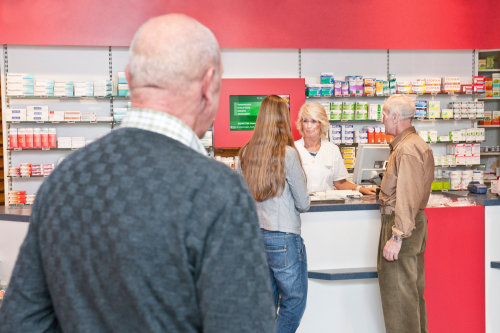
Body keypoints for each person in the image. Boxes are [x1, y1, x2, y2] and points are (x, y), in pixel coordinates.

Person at [0, 14, 275, 333]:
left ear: (129, 79)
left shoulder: (64, 180)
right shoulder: (217, 191)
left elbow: (19, 321)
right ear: (207, 83)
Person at [239, 95, 310, 333]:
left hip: (255, 238)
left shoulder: (246, 152)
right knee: (294, 301)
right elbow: (303, 203)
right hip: (284, 237)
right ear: (282, 120)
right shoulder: (288, 154)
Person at [377, 94, 435, 333]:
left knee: (398, 299)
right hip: (412, 223)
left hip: (402, 225)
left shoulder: (407, 149)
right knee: (411, 296)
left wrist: (397, 236)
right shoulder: (413, 144)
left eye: (383, 115)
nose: (382, 121)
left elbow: (408, 196)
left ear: (395, 117)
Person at [295, 102, 377, 195]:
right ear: (301, 123)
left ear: (321, 124)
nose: (308, 126)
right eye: (305, 121)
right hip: (300, 206)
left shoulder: (332, 149)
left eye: (313, 121)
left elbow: (340, 183)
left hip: (325, 205)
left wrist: (361, 189)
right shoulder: (292, 149)